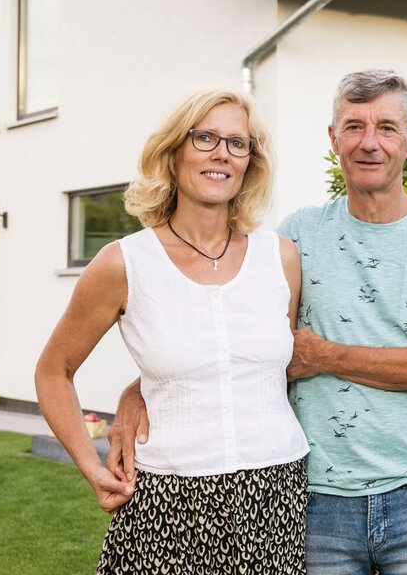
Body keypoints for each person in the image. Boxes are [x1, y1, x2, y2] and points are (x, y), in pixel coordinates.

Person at [109, 70, 407, 574]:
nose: (369, 143)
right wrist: (142, 388)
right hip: (316, 498)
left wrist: (323, 356)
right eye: (353, 126)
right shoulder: (295, 239)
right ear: (333, 140)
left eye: (387, 128)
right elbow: (240, 339)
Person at [34, 88, 309, 575]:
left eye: (237, 143)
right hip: (167, 504)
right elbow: (54, 370)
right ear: (175, 150)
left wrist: (139, 388)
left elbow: (253, 361)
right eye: (205, 137)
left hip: (275, 498)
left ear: (250, 162)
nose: (221, 153)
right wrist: (92, 466)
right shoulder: (124, 262)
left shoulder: (281, 257)